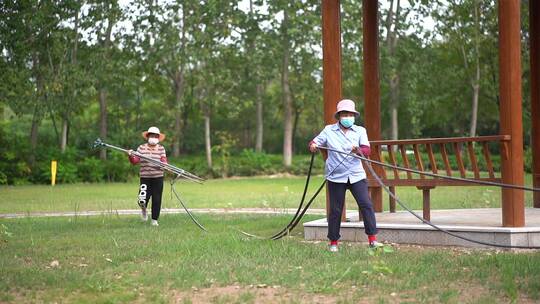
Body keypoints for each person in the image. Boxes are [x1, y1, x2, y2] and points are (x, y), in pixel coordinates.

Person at [308, 99, 380, 252]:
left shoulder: (360, 130)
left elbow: (367, 150)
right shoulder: (329, 130)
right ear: (339, 116)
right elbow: (314, 142)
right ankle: (333, 242)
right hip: (336, 176)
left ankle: (372, 240)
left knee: (366, 205)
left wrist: (358, 150)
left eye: (350, 114)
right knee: (335, 210)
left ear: (354, 116)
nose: (347, 117)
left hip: (356, 175)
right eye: (344, 114)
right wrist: (313, 146)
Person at [127, 126, 167, 227]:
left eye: (155, 136)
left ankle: (154, 220)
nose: (153, 137)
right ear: (148, 136)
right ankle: (144, 210)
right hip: (145, 177)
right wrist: (131, 155)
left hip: (158, 177)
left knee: (157, 199)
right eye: (151, 135)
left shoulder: (161, 148)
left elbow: (164, 161)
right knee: (142, 198)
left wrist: (164, 164)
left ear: (158, 138)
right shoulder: (141, 148)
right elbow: (135, 161)